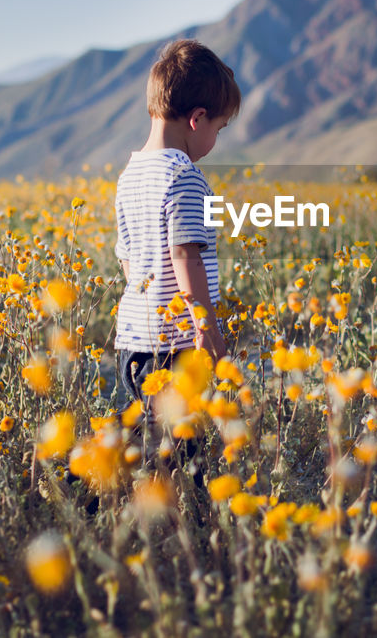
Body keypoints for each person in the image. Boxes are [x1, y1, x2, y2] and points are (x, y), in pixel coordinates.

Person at [113, 38, 241, 468]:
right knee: (180, 444)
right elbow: (185, 254)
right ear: (197, 119)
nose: (214, 141)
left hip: (135, 337)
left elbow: (128, 258)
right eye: (217, 130)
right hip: (177, 340)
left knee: (148, 432)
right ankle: (100, 498)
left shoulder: (129, 175)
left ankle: (100, 486)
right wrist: (206, 328)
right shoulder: (185, 177)